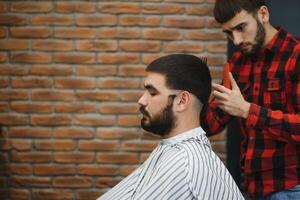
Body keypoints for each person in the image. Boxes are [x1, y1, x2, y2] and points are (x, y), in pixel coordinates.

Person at [97, 54, 244, 200]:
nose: (141, 100)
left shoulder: (184, 163)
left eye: (153, 92)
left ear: (182, 100)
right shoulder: (177, 151)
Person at [200, 0, 300, 199]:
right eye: (229, 33)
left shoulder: (297, 56)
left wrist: (247, 110)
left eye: (240, 28)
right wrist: (195, 92)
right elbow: (212, 124)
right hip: (251, 188)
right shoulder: (237, 62)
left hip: (293, 188)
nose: (236, 41)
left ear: (263, 14)